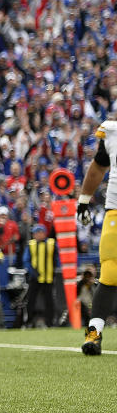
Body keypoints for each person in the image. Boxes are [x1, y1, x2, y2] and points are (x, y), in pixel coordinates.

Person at [77, 119, 117, 354]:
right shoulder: (112, 132)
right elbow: (99, 166)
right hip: (115, 208)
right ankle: (94, 331)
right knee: (110, 270)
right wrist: (84, 200)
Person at [22, 224, 59, 328]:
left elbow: (56, 259)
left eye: (40, 232)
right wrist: (33, 271)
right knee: (31, 300)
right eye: (36, 233)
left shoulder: (51, 244)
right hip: (35, 277)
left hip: (48, 277)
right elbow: (26, 260)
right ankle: (29, 322)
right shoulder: (31, 245)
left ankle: (50, 322)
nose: (38, 235)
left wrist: (54, 270)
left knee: (49, 301)